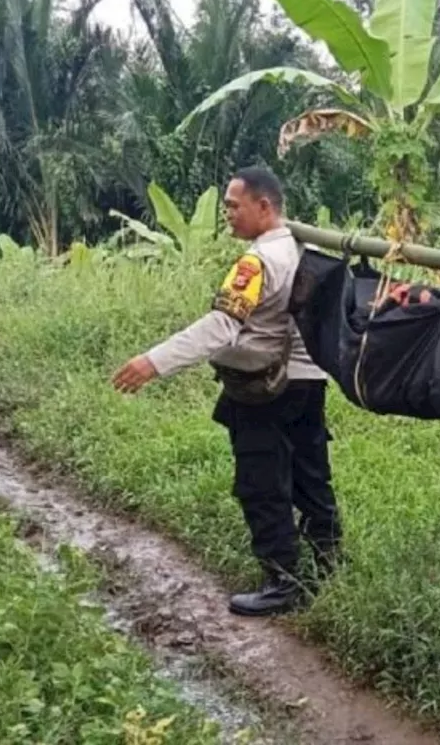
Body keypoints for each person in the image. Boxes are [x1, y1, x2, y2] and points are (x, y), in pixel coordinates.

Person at [111, 166, 340, 617]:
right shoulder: (305, 248)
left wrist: (153, 361)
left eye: (234, 206)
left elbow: (221, 326)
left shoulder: (256, 263)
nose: (228, 216)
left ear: (264, 206)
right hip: (309, 379)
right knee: (311, 472)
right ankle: (328, 566)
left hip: (266, 388)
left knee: (261, 481)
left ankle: (283, 583)